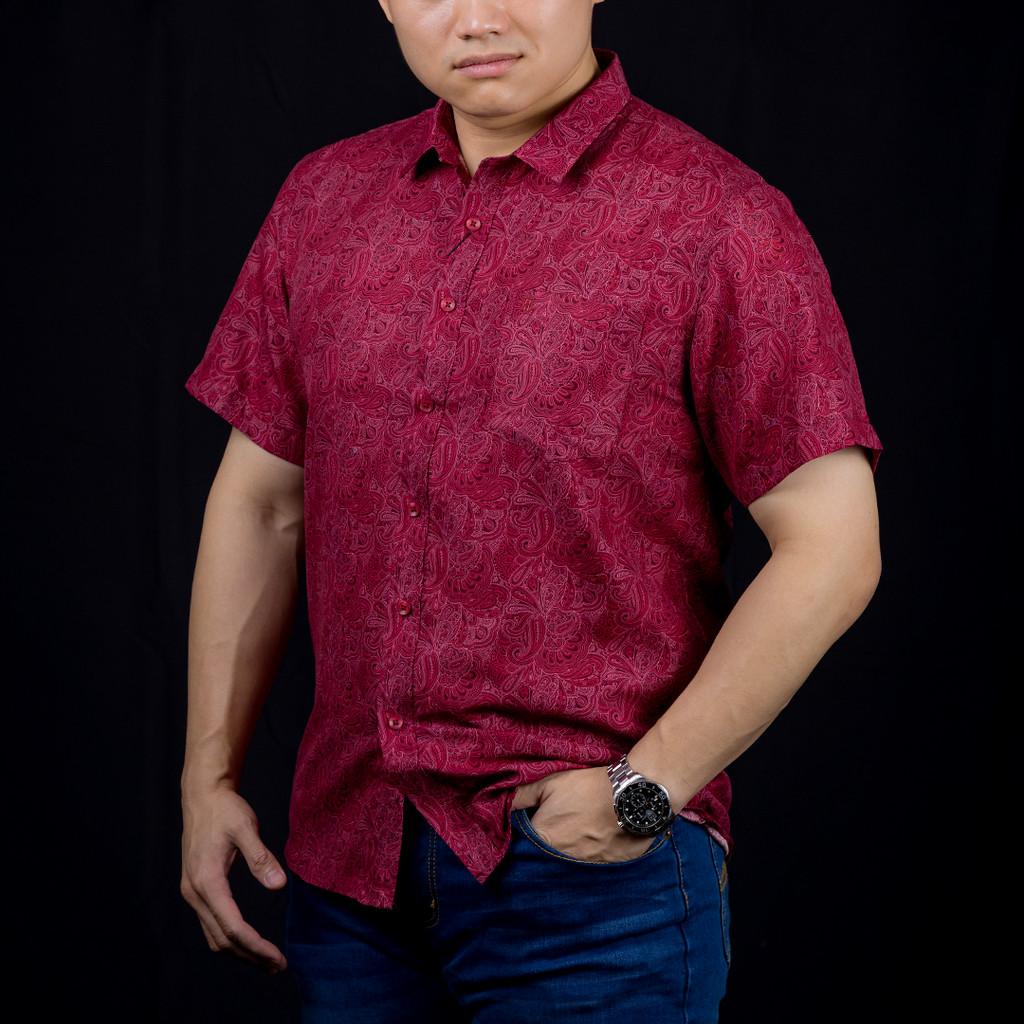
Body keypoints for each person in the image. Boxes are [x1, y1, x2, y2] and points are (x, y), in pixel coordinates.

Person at [179, 1, 884, 1021]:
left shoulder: (718, 218)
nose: (477, 18)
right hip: (349, 872)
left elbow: (833, 544)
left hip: (593, 888)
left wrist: (645, 789)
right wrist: (208, 778)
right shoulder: (322, 199)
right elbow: (261, 502)